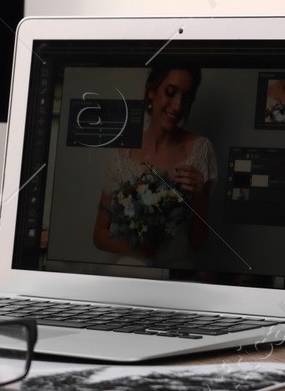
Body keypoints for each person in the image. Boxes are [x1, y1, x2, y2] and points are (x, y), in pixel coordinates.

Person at [91, 63, 215, 268]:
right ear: (151, 91)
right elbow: (99, 235)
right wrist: (137, 250)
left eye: (186, 98)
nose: (177, 106)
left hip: (175, 273)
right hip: (130, 272)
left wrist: (201, 195)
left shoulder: (200, 150)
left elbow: (197, 244)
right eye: (170, 93)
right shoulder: (123, 153)